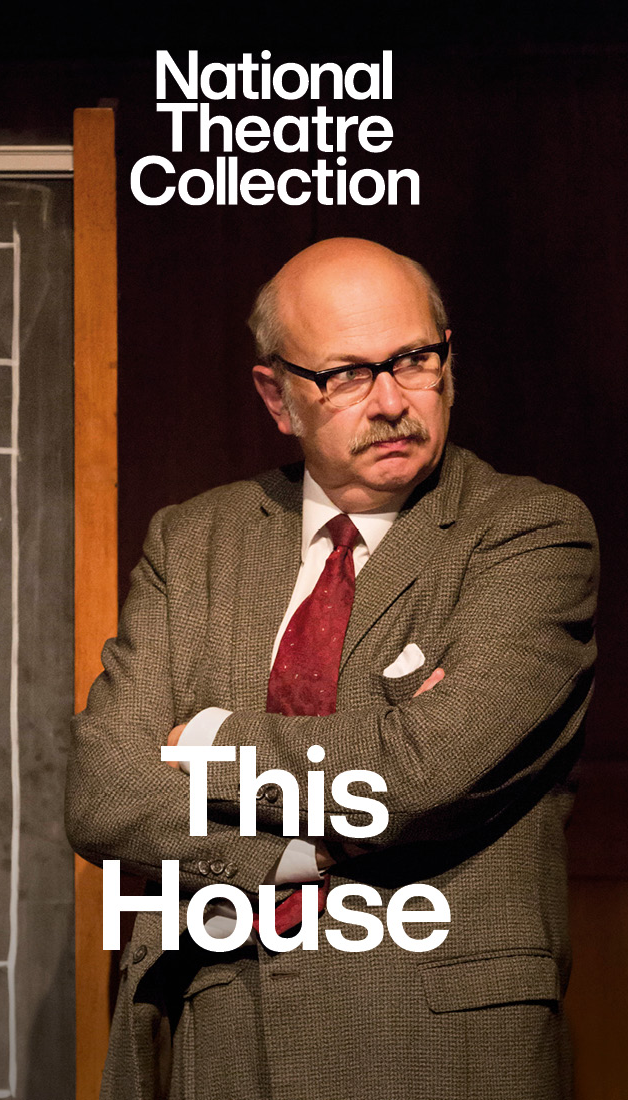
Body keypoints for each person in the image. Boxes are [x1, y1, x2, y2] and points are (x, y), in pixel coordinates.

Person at [65, 238, 598, 1100]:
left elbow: (423, 771)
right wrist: (295, 853)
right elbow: (103, 790)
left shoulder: (531, 533)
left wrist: (206, 740)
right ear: (278, 396)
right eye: (348, 374)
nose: (392, 401)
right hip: (217, 1028)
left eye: (415, 361)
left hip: (437, 1040)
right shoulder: (194, 541)